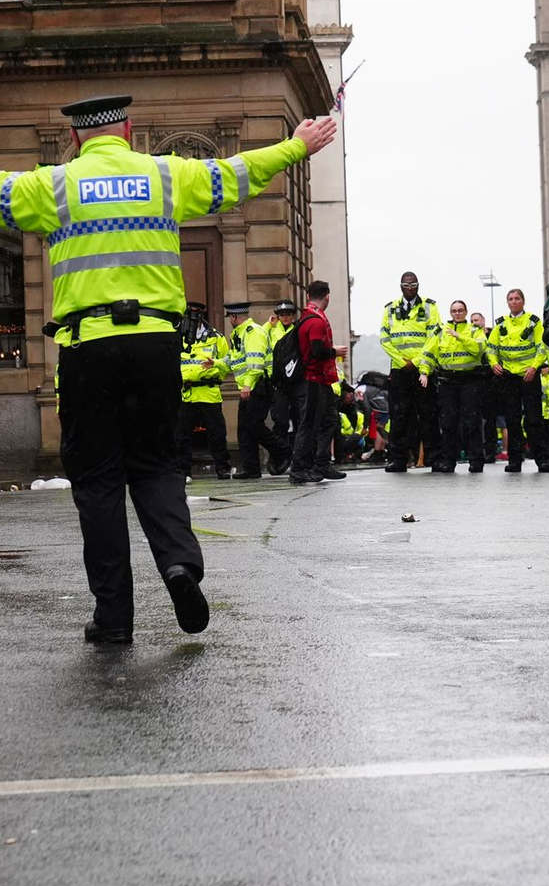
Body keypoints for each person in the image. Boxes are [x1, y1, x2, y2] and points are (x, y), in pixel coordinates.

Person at [0, 93, 336, 643]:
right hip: (158, 346)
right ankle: (180, 565)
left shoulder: (52, 185)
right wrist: (295, 146)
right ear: (129, 130)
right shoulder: (165, 176)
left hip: (88, 348)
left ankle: (113, 619)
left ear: (77, 138)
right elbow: (237, 173)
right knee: (157, 468)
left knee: (99, 483)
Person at [379, 272, 441, 473]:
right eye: (406, 285)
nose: (410, 288)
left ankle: (434, 458)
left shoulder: (430, 307)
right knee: (399, 416)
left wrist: (415, 362)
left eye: (413, 284)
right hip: (399, 370)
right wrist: (401, 361)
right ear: (400, 286)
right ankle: (398, 459)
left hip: (423, 369)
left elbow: (434, 337)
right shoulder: (390, 309)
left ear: (418, 285)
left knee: (428, 415)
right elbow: (384, 338)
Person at [417, 299, 487, 473]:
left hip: (470, 380)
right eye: (454, 311)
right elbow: (428, 353)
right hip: (448, 381)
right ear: (450, 313)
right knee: (449, 423)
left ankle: (476, 460)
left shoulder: (474, 330)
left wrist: (460, 337)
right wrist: (424, 371)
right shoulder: (440, 331)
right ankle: (448, 460)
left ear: (465, 312)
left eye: (460, 310)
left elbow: (480, 348)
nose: (457, 313)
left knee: (471, 421)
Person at [289, 279, 348, 485]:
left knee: (330, 420)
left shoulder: (308, 317)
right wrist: (335, 352)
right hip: (313, 379)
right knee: (309, 425)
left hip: (321, 380)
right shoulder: (316, 321)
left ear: (307, 296)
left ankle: (321, 463)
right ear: (327, 297)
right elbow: (316, 350)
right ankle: (298, 468)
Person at [487, 288, 549, 472]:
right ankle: (514, 460)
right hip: (508, 378)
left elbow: (542, 347)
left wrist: (534, 367)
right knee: (512, 420)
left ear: (523, 301)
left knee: (534, 419)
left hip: (528, 376)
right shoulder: (500, 324)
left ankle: (541, 459)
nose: (514, 302)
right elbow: (491, 348)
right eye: (510, 299)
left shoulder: (533, 322)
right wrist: (493, 364)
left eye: (517, 298)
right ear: (507, 302)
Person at [226, 302, 290, 479]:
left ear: (233, 317)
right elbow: (234, 359)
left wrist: (247, 385)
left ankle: (283, 450)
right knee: (244, 429)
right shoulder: (238, 334)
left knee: (254, 425)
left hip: (258, 385)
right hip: (249, 386)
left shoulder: (253, 332)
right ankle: (251, 468)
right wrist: (215, 364)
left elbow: (256, 363)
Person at [176, 302, 231, 480]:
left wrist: (210, 371)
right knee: (182, 435)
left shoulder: (216, 337)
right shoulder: (179, 337)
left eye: (196, 315)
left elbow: (227, 362)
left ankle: (222, 468)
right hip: (187, 394)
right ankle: (183, 470)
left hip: (208, 392)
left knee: (217, 433)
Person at [265, 300, 299, 461]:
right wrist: (268, 325)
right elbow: (258, 338)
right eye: (282, 315)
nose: (285, 317)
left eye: (288, 314)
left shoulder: (298, 331)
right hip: (277, 382)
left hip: (295, 381)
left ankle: (297, 454)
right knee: (281, 421)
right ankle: (278, 456)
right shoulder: (271, 330)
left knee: (298, 420)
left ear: (293, 316)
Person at [471, 310, 499, 462]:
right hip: (476, 379)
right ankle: (477, 451)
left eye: (476, 320)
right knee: (474, 418)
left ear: (483, 321)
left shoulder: (492, 334)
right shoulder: (471, 336)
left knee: (491, 419)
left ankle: (490, 451)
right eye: (472, 320)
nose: (474, 323)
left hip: (492, 381)